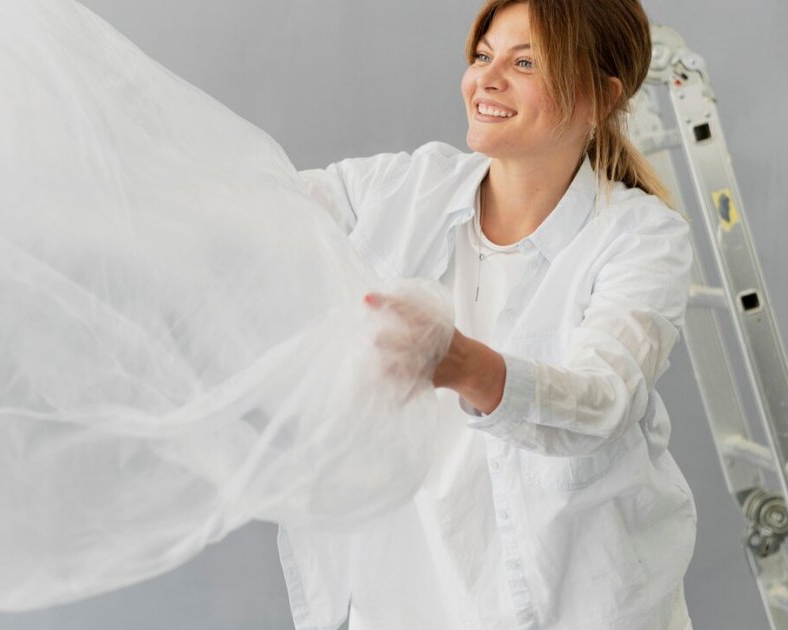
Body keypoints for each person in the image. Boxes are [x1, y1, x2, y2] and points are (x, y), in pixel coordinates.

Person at [279, 0, 697, 628]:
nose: (487, 79)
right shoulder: (406, 188)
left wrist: (460, 363)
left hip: (581, 604)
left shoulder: (640, 238)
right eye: (482, 55)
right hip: (414, 600)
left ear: (601, 96)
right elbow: (259, 205)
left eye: (526, 62)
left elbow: (603, 401)